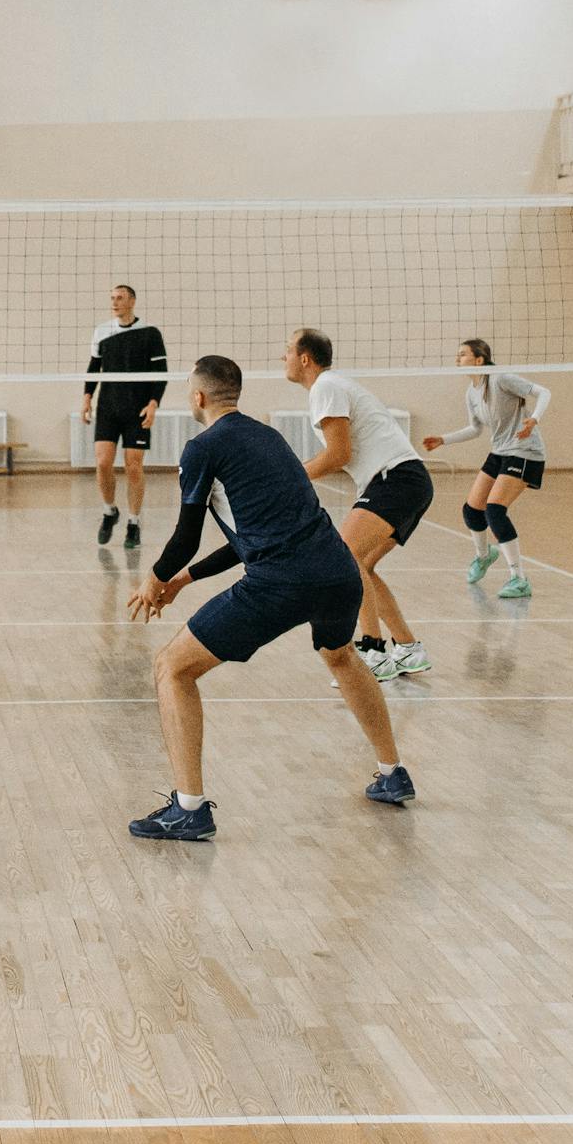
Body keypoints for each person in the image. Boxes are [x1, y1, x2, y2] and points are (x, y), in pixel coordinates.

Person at [124, 355, 413, 837]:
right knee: (342, 656)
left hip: (281, 581)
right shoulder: (269, 438)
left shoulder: (201, 449)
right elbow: (245, 539)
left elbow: (185, 537)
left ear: (198, 397)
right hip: (338, 571)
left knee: (172, 668)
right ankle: (392, 772)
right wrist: (182, 581)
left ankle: (189, 807)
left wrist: (154, 580)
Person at [289, 327, 436, 681]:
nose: (284, 357)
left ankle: (373, 650)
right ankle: (408, 648)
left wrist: (291, 478)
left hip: (396, 478)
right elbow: (337, 453)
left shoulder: (325, 386)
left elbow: (338, 454)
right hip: (406, 480)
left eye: (288, 350)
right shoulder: (331, 386)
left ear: (305, 359)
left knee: (345, 556)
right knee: (362, 565)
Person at [422, 338, 550, 600]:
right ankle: (484, 555)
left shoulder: (501, 378)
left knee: (495, 510)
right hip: (500, 451)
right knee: (472, 510)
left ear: (479, 360)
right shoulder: (471, 392)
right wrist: (444, 439)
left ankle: (519, 579)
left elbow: (544, 392)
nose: (457, 359)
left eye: (463, 354)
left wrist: (534, 419)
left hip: (525, 451)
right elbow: (475, 429)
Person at [81, 284, 167, 549]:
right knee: (103, 462)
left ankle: (133, 522)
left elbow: (161, 373)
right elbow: (94, 368)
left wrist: (153, 404)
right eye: (112, 298)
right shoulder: (102, 331)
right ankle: (110, 511)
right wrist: (87, 397)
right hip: (108, 408)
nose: (115, 302)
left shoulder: (150, 333)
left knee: (133, 466)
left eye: (120, 298)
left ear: (132, 301)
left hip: (137, 410)